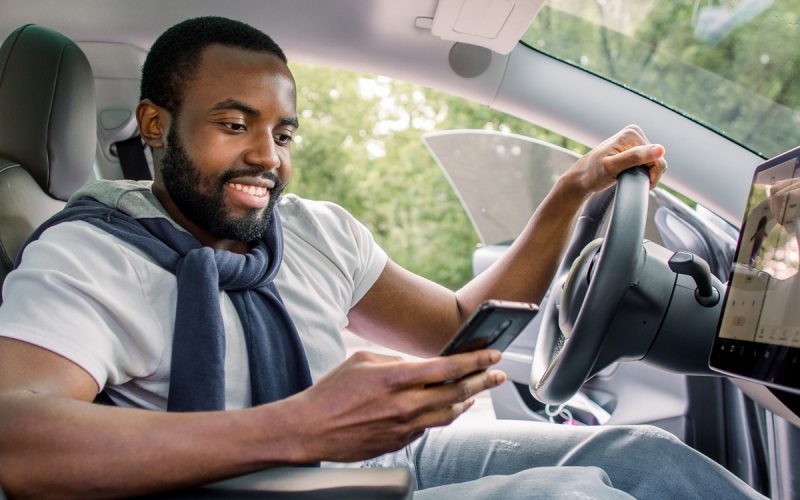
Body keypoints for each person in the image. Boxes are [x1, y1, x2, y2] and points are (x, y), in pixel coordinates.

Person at [0, 17, 763, 499]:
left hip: (358, 472)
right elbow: (18, 439)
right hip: (254, 483)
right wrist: (299, 427)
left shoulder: (313, 229)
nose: (266, 157)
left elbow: (454, 327)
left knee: (643, 458)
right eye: (234, 125)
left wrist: (567, 197)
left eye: (284, 133)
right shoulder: (89, 254)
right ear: (156, 124)